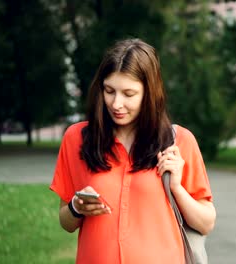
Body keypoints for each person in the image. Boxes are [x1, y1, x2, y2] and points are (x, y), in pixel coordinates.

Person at [50, 38, 216, 263]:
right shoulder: (76, 138)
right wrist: (76, 207)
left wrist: (177, 188)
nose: (116, 104)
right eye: (109, 91)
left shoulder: (179, 141)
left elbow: (206, 223)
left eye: (129, 94)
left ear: (149, 93)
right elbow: (66, 222)